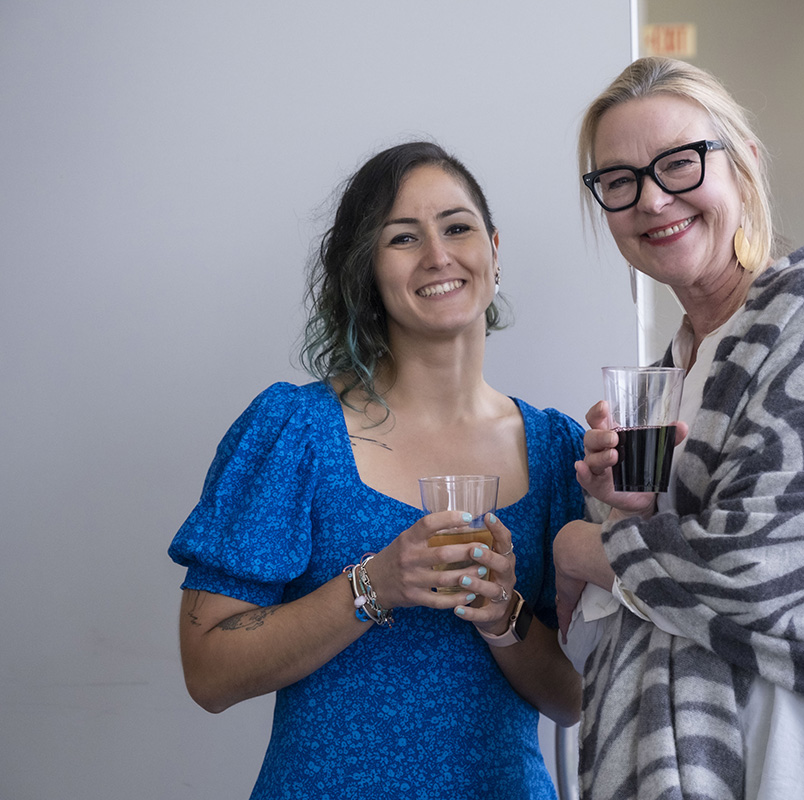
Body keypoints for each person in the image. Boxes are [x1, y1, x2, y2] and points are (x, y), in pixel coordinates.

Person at [553, 56, 804, 800]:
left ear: (741, 163)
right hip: (713, 747)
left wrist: (583, 544)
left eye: (678, 163)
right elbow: (676, 571)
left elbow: (766, 568)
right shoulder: (673, 368)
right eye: (619, 181)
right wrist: (635, 506)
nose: (652, 199)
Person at [168, 141, 584, 799]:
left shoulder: (561, 451)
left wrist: (505, 615)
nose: (438, 256)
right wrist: (375, 584)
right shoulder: (296, 433)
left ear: (494, 250)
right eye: (402, 238)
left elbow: (575, 697)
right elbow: (209, 672)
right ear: (367, 271)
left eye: (457, 227)